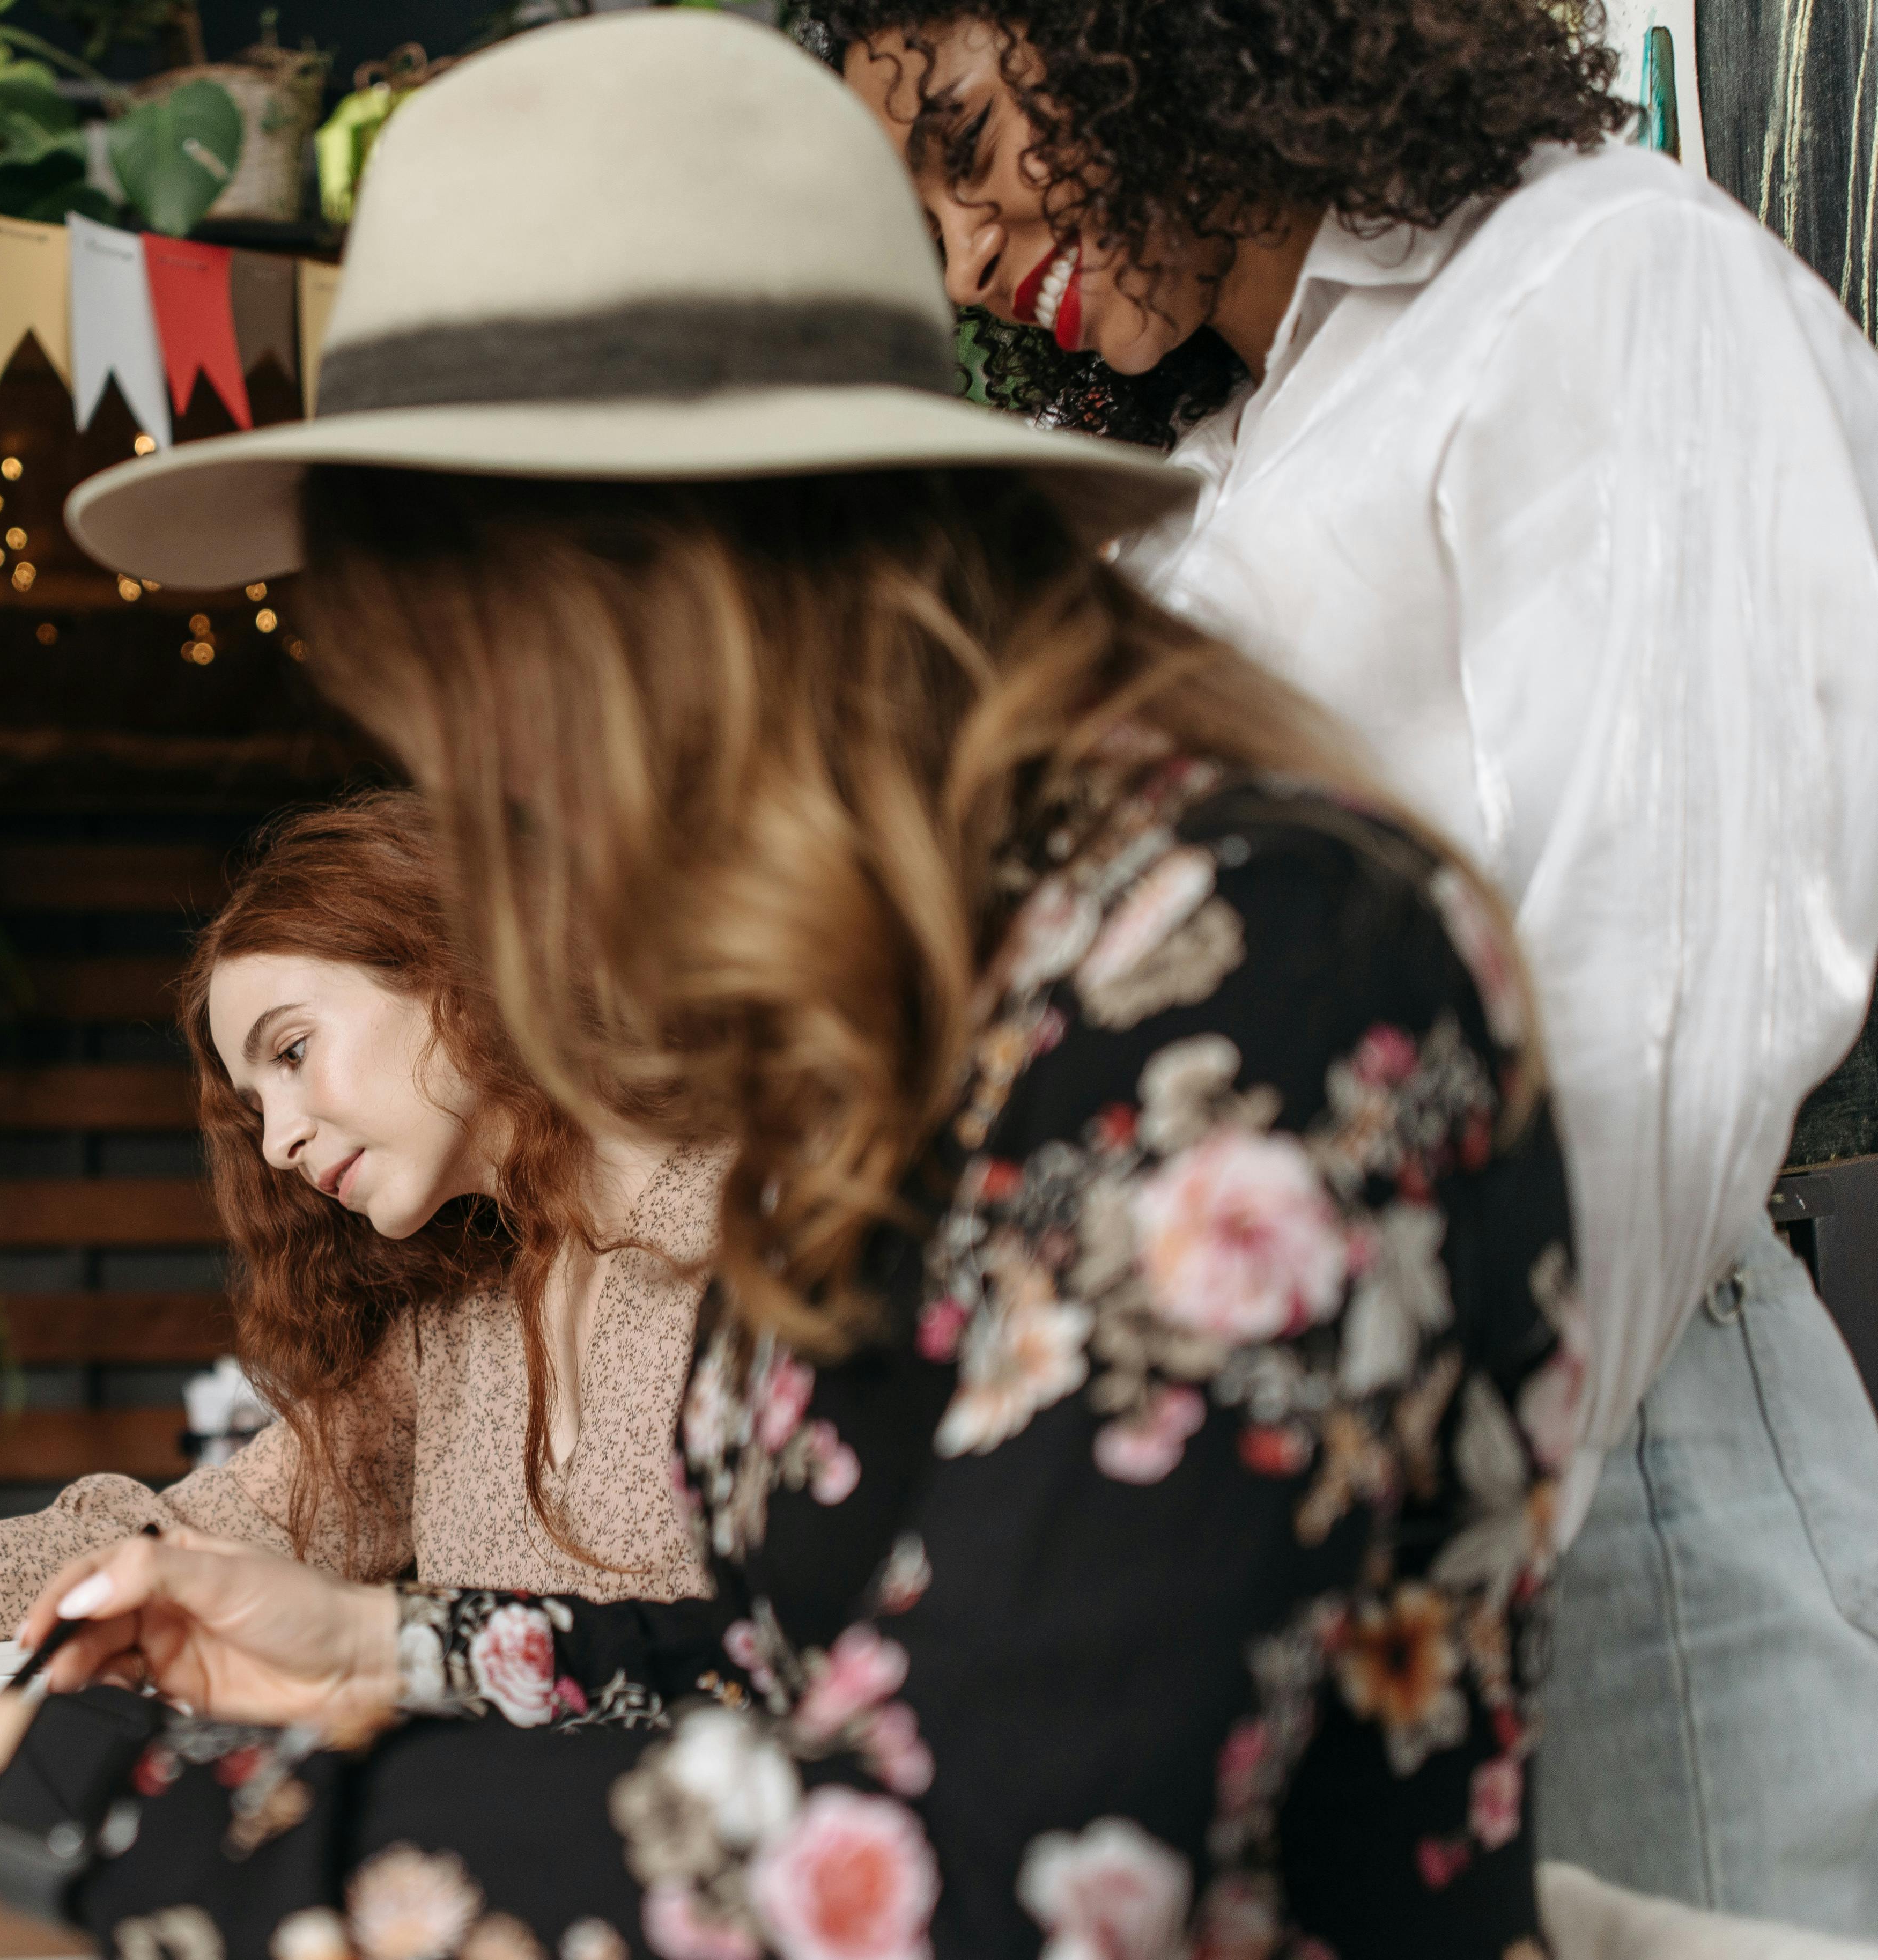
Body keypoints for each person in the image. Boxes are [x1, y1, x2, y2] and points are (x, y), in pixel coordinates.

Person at [0, 17, 1580, 1954]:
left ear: (649, 587)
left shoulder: (1252, 964)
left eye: (468, 691)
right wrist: (384, 1650)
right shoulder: (938, 1002)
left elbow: (975, 1879)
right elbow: (835, 1689)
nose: (485, 805)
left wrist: (27, 1785)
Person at [814, 0, 1878, 1927]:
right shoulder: (1212, 456)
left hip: (1583, 1451)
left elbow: (1675, 999)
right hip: (1259, 1483)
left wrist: (1428, 1547)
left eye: (963, 138)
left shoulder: (1604, 276)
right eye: (916, 210)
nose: (963, 252)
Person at [0, 791, 715, 1657]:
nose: (279, 1142)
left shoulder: (782, 1243)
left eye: (291, 1052)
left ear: (459, 969)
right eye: (255, 1110)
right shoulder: (463, 1324)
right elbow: (202, 1535)